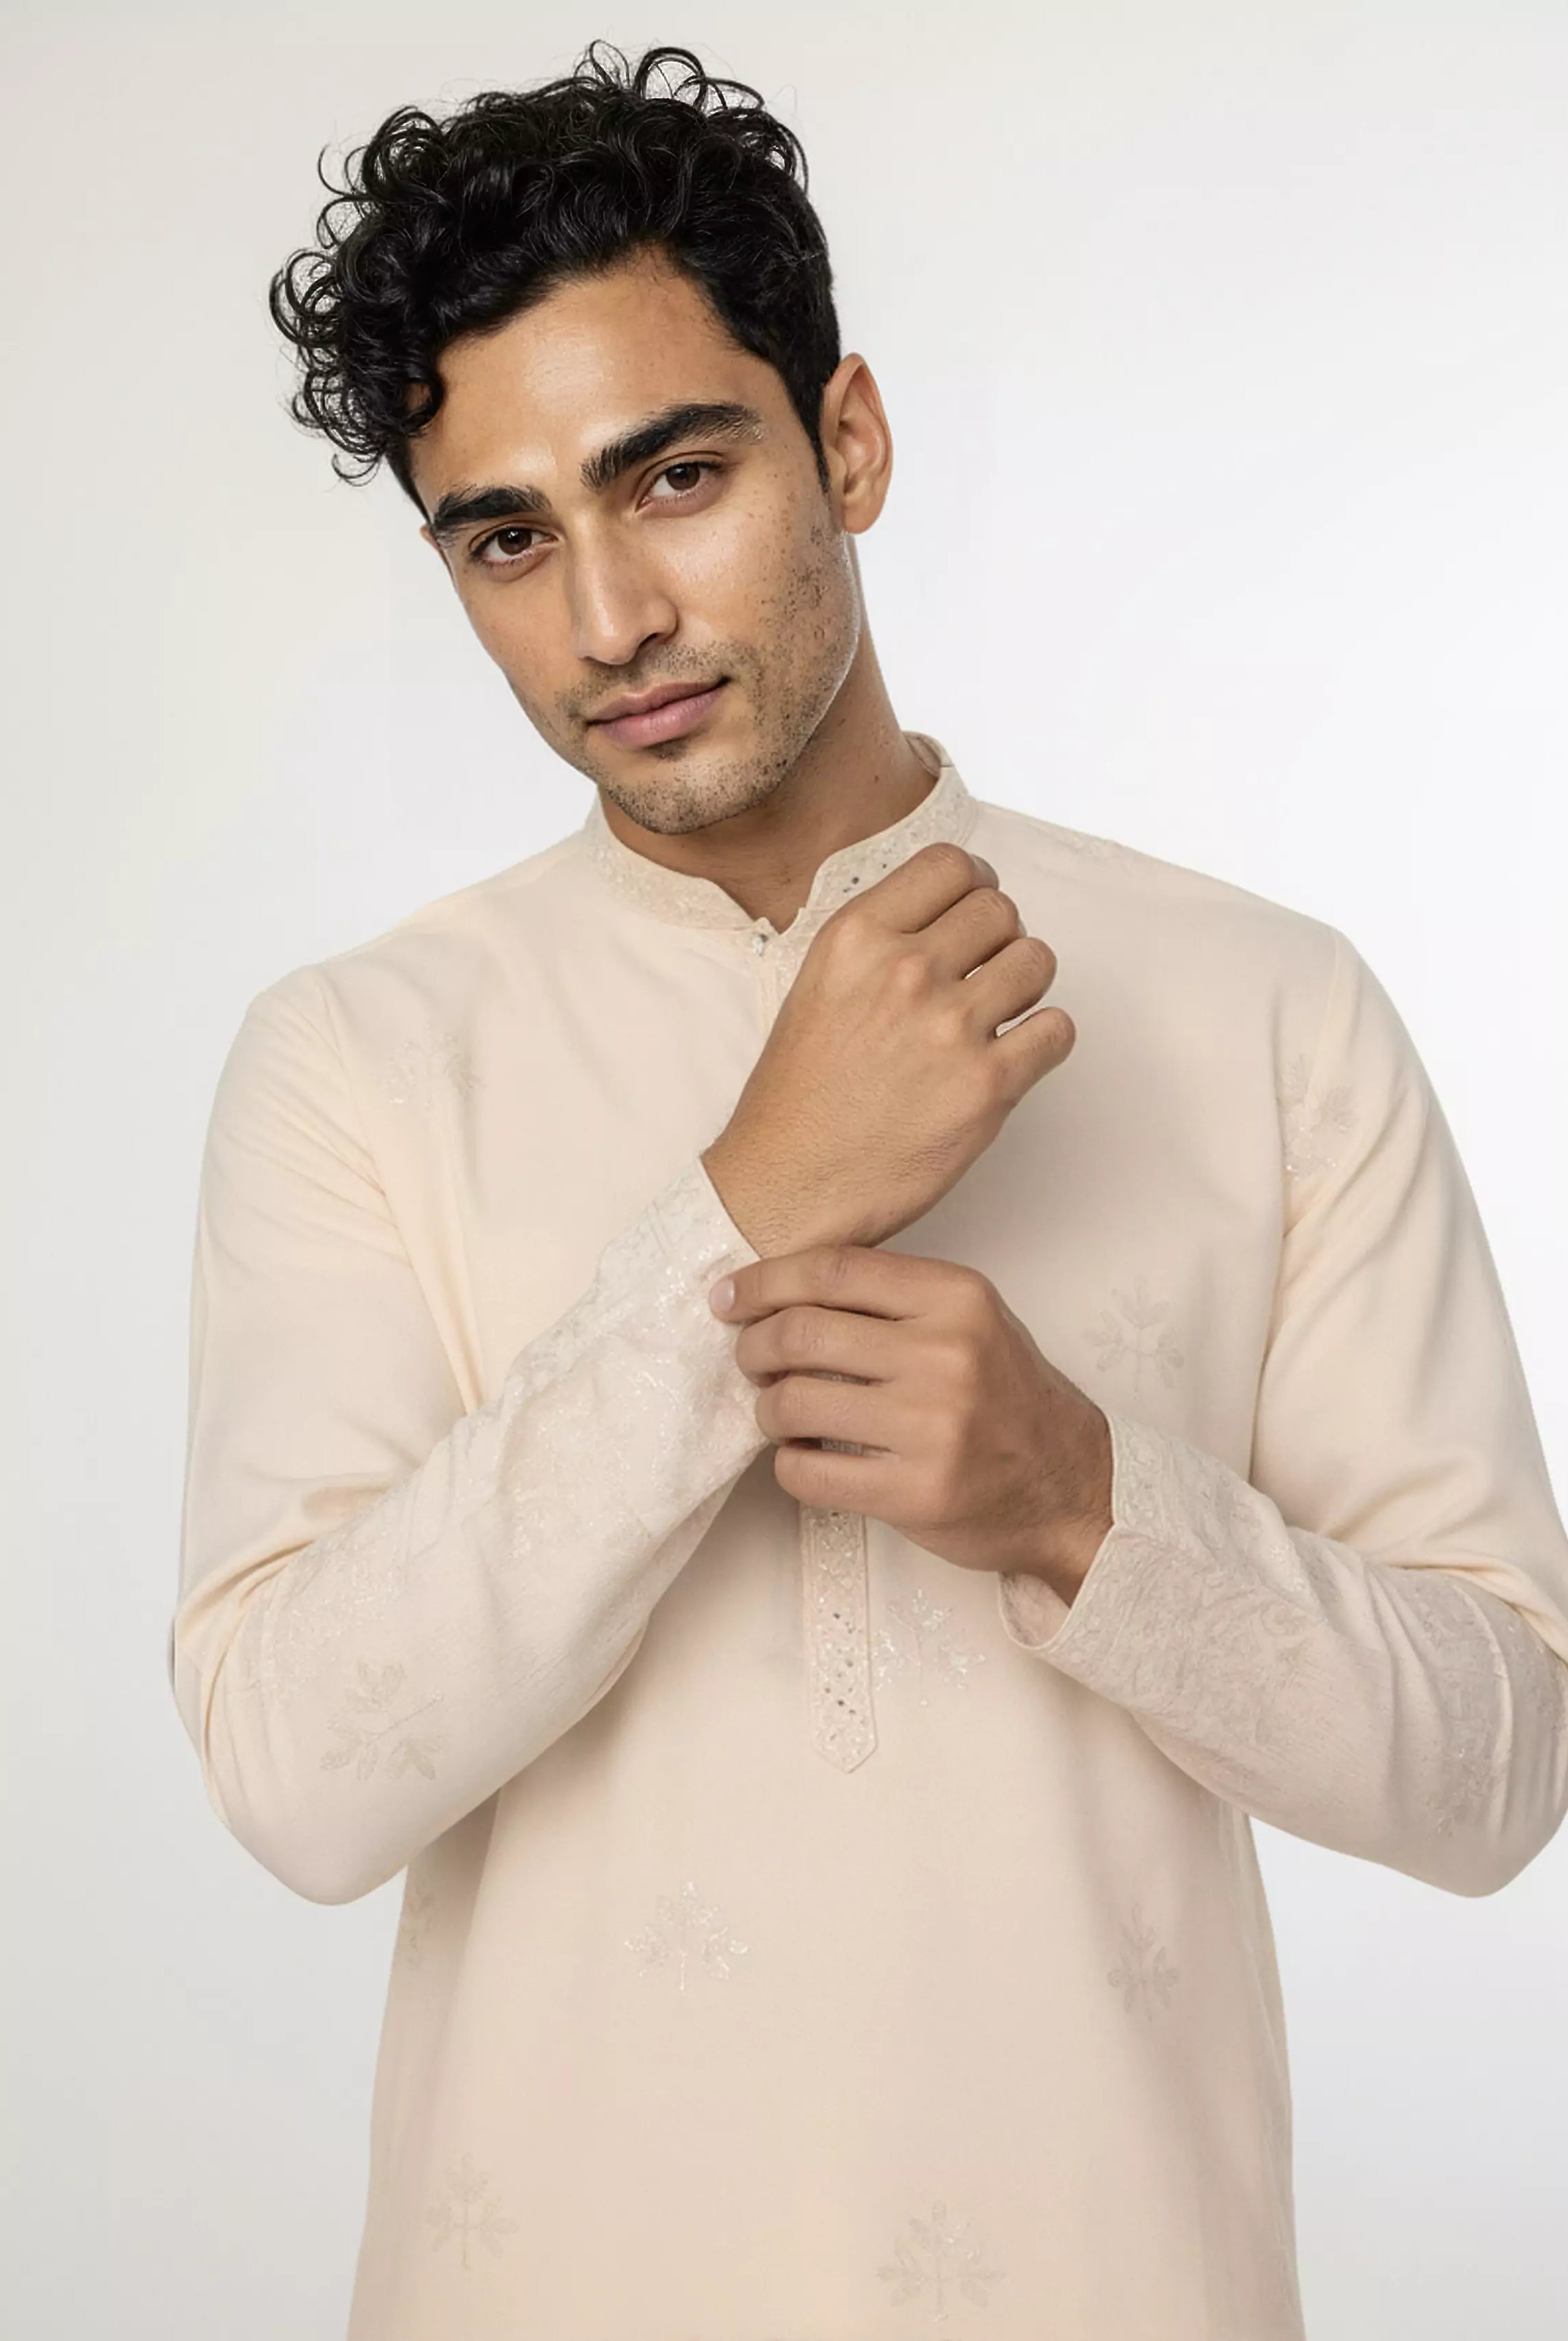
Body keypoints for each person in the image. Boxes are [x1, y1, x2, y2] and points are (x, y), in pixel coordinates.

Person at [168, 39, 1568, 2341]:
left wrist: (1086, 1507)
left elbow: (1502, 1765)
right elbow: (303, 1778)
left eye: (675, 475)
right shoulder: (359, 1062)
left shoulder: (1266, 1005)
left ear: (849, 443)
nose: (609, 616)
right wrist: (743, 1220)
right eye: (507, 537)